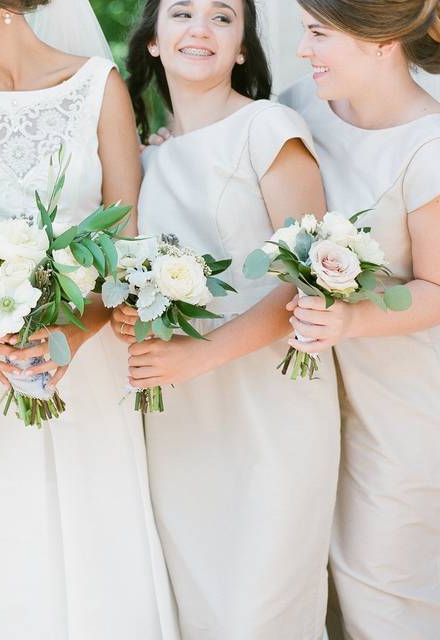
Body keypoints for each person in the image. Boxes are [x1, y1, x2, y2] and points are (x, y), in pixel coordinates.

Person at [0, 0, 178, 637]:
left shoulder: (97, 87)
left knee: (94, 523)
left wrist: (70, 337)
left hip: (88, 350)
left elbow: (125, 242)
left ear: (4, 9)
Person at [118, 1, 340, 637]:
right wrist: (133, 322)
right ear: (154, 42)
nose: (200, 29)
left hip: (271, 404)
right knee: (201, 608)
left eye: (222, 18)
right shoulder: (144, 161)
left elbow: (309, 283)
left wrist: (196, 356)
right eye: (182, 13)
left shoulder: (270, 128)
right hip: (180, 420)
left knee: (259, 608)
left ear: (242, 48)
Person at [281, 1, 440, 635]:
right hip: (301, 394)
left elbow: (437, 287)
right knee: (303, 576)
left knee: (381, 587)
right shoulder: (298, 103)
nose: (301, 50)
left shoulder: (428, 147)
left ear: (380, 43)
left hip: (400, 400)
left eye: (318, 33)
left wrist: (348, 322)